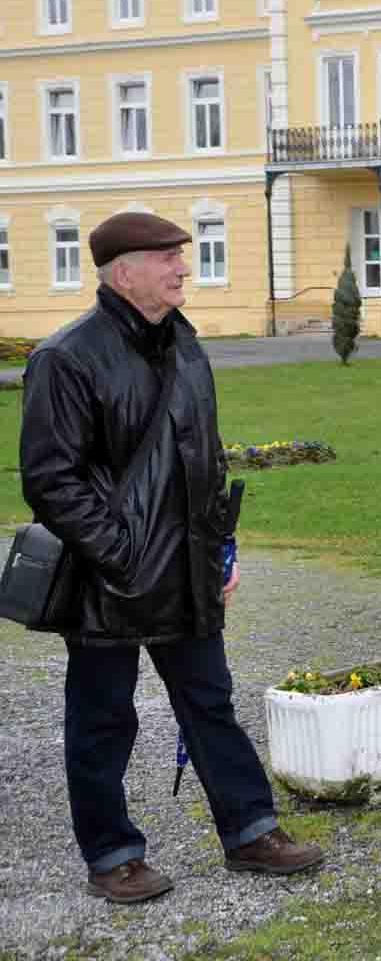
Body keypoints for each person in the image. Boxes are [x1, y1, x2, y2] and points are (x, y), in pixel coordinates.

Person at [18, 212, 326, 905]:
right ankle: (113, 854)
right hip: (111, 582)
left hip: (188, 573)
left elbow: (204, 462)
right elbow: (50, 478)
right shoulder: (66, 357)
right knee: (103, 722)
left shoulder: (186, 347)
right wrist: (121, 557)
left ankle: (251, 830)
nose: (183, 269)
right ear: (124, 272)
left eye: (182, 257)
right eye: (168, 258)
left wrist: (222, 549)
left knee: (211, 703)